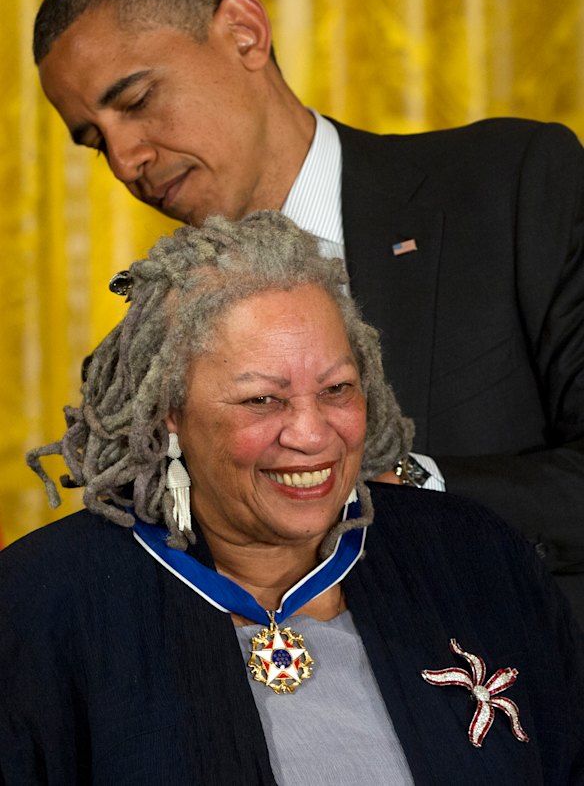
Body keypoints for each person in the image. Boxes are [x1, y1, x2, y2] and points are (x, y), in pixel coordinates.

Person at [32, 0, 584, 619]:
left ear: (244, 34)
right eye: (95, 140)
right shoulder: (156, 338)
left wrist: (401, 485)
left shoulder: (510, 185)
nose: (123, 160)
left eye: (138, 101)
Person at [1, 212, 582, 784]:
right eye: (262, 401)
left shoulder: (476, 557)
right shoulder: (38, 604)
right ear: (168, 412)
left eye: (337, 389)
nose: (311, 434)